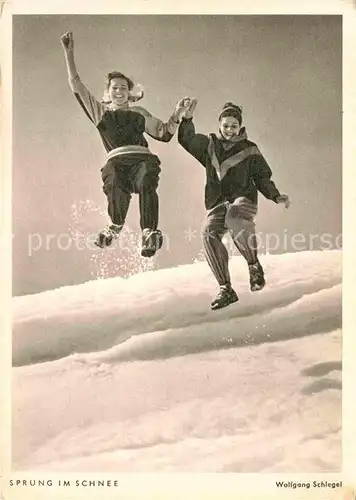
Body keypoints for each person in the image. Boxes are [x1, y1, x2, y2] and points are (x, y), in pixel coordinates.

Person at [61, 31, 189, 257]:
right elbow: (77, 86)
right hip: (117, 161)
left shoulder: (139, 113)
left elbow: (164, 133)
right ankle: (115, 225)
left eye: (123, 88)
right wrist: (68, 53)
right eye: (114, 88)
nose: (119, 91)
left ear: (129, 93)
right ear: (108, 93)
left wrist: (177, 113)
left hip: (141, 159)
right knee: (114, 181)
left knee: (147, 179)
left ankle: (149, 232)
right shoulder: (101, 113)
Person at [178, 100, 290, 310]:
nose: (230, 130)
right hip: (218, 204)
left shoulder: (250, 149)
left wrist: (275, 196)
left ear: (240, 127)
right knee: (208, 233)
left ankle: (254, 266)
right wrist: (187, 118)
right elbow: (187, 139)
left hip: (243, 200)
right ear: (220, 125)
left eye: (234, 126)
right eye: (226, 125)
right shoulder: (209, 145)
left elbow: (262, 177)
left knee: (234, 216)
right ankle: (226, 289)